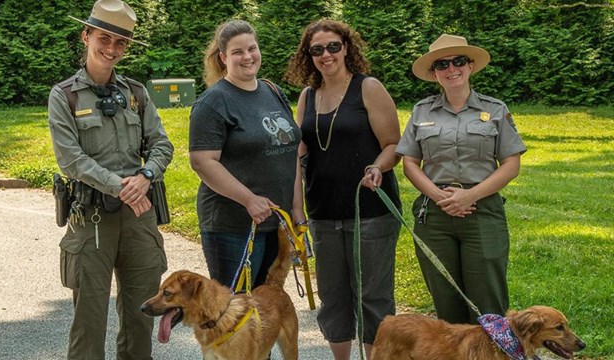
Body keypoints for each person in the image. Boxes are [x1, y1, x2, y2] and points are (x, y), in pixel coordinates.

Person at [48, 0, 174, 358]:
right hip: (92, 221)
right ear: (86, 35)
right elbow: (71, 159)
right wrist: (123, 186)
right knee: (89, 323)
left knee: (140, 321)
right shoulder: (65, 96)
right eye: (104, 38)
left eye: (120, 43)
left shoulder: (136, 94)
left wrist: (147, 175)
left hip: (139, 220)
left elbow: (161, 143)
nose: (111, 49)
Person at [284, 19, 401, 360]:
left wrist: (378, 166)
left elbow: (393, 144)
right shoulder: (308, 95)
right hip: (323, 212)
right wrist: (296, 208)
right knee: (333, 297)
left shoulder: (368, 88)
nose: (326, 55)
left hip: (371, 212)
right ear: (309, 56)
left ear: (347, 47)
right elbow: (297, 153)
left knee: (372, 297)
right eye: (317, 50)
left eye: (333, 46)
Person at [395, 34, 527, 325]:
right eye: (442, 64)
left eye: (458, 61)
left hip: (482, 211)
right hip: (435, 216)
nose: (451, 68)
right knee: (446, 300)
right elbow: (410, 163)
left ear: (470, 66)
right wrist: (440, 196)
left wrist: (470, 195)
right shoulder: (421, 111)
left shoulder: (494, 109)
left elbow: (511, 164)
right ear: (433, 73)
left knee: (488, 302)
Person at [188, 20, 301, 291]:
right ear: (223, 57)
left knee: (265, 308)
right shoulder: (213, 102)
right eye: (238, 52)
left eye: (252, 48)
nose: (247, 56)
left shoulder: (272, 92)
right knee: (234, 311)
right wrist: (248, 199)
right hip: (232, 227)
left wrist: (297, 209)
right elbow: (202, 162)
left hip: (275, 224)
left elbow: (291, 153)